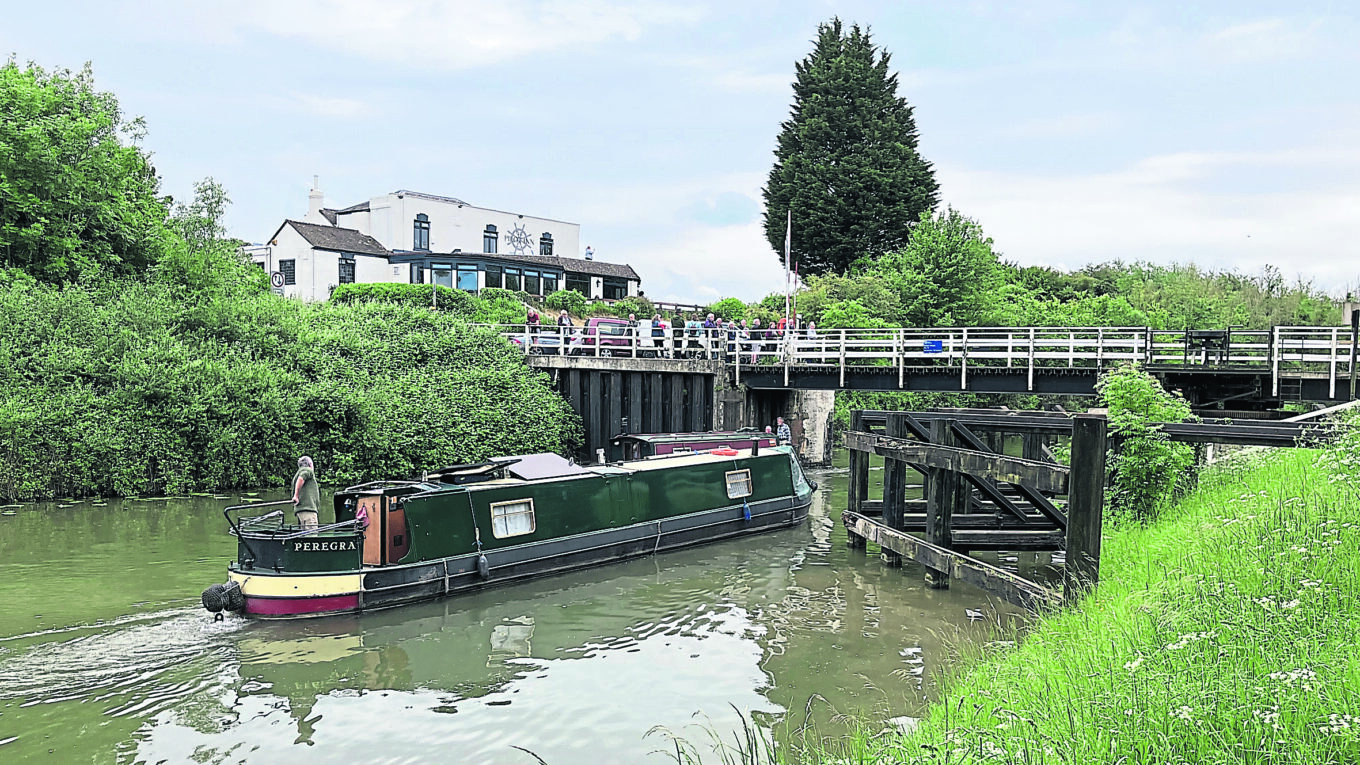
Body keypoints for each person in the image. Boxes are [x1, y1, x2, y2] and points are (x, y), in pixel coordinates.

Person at [291, 456, 320, 529]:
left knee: (304, 537)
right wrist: (296, 496)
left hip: (301, 510)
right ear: (310, 464)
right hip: (308, 510)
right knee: (312, 536)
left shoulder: (296, 474)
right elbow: (301, 478)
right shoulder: (308, 470)